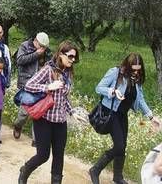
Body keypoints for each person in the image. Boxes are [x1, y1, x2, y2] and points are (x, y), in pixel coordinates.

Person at [89, 52, 161, 184]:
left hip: (122, 115)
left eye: (139, 71)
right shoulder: (115, 72)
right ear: (128, 66)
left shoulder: (136, 81)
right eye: (133, 70)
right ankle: (95, 170)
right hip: (111, 113)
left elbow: (140, 100)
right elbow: (99, 88)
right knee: (119, 146)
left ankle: (118, 177)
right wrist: (112, 91)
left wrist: (151, 117)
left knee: (123, 146)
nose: (136, 73)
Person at [18, 41, 79, 184]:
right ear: (61, 54)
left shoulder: (68, 73)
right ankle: (25, 170)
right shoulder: (48, 69)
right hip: (44, 120)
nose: (73, 60)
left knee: (59, 156)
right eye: (70, 56)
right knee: (43, 155)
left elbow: (63, 97)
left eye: (75, 57)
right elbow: (29, 85)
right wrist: (48, 86)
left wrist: (72, 111)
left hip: (60, 122)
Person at [13, 32, 52, 146]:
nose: (43, 49)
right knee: (24, 112)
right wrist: (35, 54)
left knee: (39, 112)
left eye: (44, 47)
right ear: (35, 41)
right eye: (41, 46)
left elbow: (51, 63)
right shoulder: (24, 46)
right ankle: (18, 125)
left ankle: (36, 139)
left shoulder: (46, 51)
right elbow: (19, 60)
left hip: (41, 85)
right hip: (27, 84)